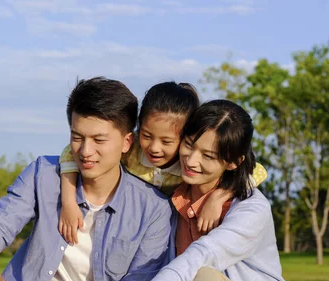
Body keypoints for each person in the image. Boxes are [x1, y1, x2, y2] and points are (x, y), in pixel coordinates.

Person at [112, 100, 314, 281]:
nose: (192, 160)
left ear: (233, 162)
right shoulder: (174, 198)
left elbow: (202, 255)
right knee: (171, 274)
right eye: (190, 145)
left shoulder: (250, 209)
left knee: (200, 270)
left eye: (208, 155)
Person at [0, 77, 176, 281]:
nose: (85, 151)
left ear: (126, 142)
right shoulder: (43, 174)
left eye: (99, 140)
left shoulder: (153, 208)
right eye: (77, 137)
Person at [58, 82, 267, 246]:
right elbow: (70, 152)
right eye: (147, 135)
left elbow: (257, 172)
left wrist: (218, 196)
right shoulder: (131, 151)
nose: (154, 148)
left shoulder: (188, 165)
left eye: (167, 141)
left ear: (186, 136)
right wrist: (69, 202)